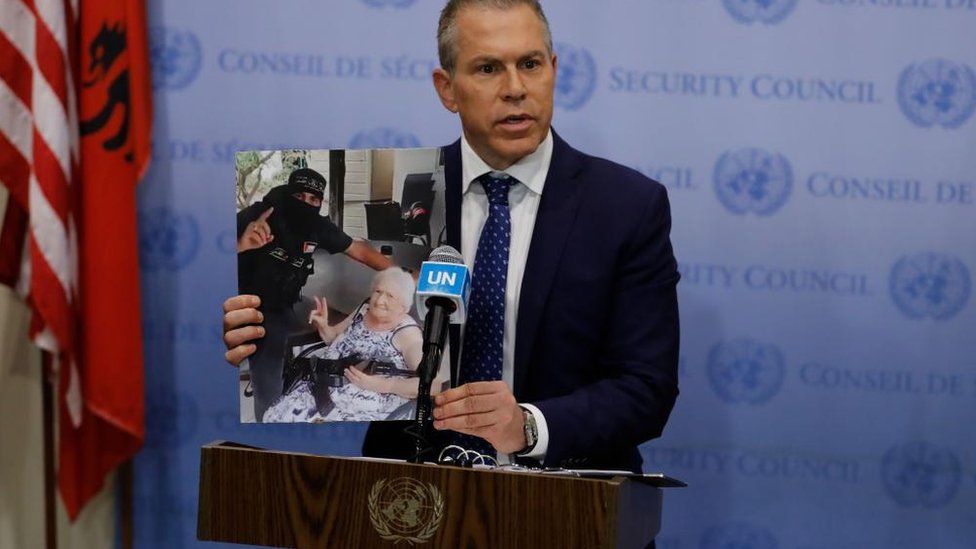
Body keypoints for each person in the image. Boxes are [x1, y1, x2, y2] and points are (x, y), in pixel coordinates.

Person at [224, 0, 679, 473]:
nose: (516, 89)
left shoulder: (627, 207)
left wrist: (529, 426)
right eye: (487, 68)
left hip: (567, 503)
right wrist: (250, 330)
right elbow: (374, 347)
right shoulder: (424, 195)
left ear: (554, 70)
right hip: (411, 496)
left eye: (530, 64)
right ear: (447, 89)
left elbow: (647, 388)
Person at [236, 167, 394, 421]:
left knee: (352, 323)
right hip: (253, 308)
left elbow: (359, 250)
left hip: (290, 302)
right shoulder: (260, 214)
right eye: (299, 196)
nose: (306, 204)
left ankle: (319, 389)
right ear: (288, 193)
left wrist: (404, 273)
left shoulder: (317, 226)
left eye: (314, 200)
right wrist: (240, 243)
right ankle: (268, 424)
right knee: (269, 378)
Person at [262, 268, 427, 423]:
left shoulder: (408, 335)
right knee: (271, 419)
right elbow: (335, 339)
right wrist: (323, 325)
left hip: (354, 410)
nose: (379, 300)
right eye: (378, 291)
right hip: (319, 386)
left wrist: (383, 385)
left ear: (404, 307)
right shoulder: (365, 309)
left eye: (390, 296)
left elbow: (432, 384)